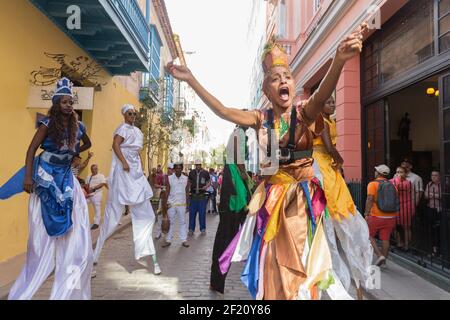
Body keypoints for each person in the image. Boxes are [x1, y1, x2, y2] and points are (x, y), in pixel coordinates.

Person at [167, 23, 367, 300]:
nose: (283, 80)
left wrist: (338, 60)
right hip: (272, 201)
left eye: (287, 76)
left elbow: (321, 96)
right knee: (273, 263)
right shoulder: (260, 118)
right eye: (275, 78)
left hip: (302, 201)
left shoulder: (304, 112)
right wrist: (190, 79)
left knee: (303, 262)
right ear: (267, 90)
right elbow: (223, 110)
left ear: (293, 85)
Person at [0, 77, 93, 299]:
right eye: (64, 102)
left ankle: (68, 290)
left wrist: (75, 154)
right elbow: (31, 150)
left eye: (71, 102)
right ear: (56, 104)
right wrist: (28, 178)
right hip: (46, 178)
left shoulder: (79, 126)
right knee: (40, 243)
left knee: (78, 233)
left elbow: (86, 143)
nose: (69, 105)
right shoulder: (47, 125)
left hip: (67, 180)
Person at [311, 95, 372, 299]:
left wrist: (337, 162)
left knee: (343, 217)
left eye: (334, 103)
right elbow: (328, 147)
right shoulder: (320, 120)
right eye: (329, 102)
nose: (332, 105)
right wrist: (340, 160)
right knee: (329, 218)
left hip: (329, 167)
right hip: (322, 165)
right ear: (321, 105)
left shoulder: (330, 120)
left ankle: (355, 284)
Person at [93, 104, 161, 275]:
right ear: (124, 115)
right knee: (111, 220)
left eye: (134, 114)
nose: (133, 116)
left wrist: (140, 167)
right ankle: (94, 256)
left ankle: (146, 251)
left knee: (148, 216)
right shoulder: (122, 128)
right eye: (130, 114)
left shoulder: (137, 131)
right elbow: (115, 145)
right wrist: (124, 162)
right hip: (124, 173)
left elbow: (137, 153)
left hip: (135, 174)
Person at [210, 125, 254, 294]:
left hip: (234, 187)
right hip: (234, 188)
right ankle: (217, 280)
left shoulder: (238, 133)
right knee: (227, 237)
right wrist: (244, 175)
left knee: (225, 236)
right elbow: (239, 159)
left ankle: (216, 281)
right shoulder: (239, 133)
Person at [365, 165, 399, 269]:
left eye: (375, 171)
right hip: (391, 216)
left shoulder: (372, 184)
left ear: (378, 173)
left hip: (376, 215)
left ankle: (379, 256)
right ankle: (384, 261)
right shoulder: (393, 186)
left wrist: (366, 213)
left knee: (369, 235)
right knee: (386, 238)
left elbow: (370, 199)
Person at [163, 163, 190, 248]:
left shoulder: (185, 178)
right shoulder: (170, 178)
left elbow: (187, 192)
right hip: (171, 203)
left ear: (182, 169)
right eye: (176, 168)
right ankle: (168, 240)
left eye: (180, 168)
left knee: (182, 222)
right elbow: (167, 191)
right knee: (170, 222)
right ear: (174, 169)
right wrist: (165, 203)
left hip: (182, 203)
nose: (178, 170)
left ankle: (184, 240)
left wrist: (188, 204)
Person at [391, 166, 414, 251]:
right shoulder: (392, 181)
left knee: (406, 227)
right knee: (392, 226)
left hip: (406, 206)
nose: (399, 174)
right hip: (395, 206)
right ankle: (399, 242)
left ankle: (407, 245)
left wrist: (395, 180)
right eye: (397, 172)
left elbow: (398, 189)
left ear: (405, 173)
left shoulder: (408, 182)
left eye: (401, 172)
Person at [187, 160, 211, 236]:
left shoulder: (205, 173)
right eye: (196, 165)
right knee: (192, 214)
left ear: (201, 165)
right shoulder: (191, 173)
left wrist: (206, 187)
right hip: (193, 197)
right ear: (195, 165)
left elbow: (209, 181)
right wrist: (189, 188)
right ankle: (191, 229)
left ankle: (203, 229)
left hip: (202, 197)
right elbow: (189, 182)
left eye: (199, 165)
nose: (197, 166)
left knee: (202, 214)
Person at [425, 171, 442, 256]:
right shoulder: (429, 184)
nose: (433, 177)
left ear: (439, 176)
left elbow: (442, 196)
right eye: (432, 175)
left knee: (439, 229)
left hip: (439, 209)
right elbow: (426, 195)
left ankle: (440, 250)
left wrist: (432, 194)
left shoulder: (441, 185)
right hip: (430, 208)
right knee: (431, 229)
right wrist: (436, 195)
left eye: (435, 175)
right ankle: (433, 249)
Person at [86, 164, 108, 230]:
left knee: (97, 207)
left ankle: (96, 223)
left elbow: (102, 183)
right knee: (83, 204)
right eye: (93, 169)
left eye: (95, 169)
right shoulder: (88, 176)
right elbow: (87, 184)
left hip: (97, 193)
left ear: (97, 169)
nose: (94, 170)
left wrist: (93, 188)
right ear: (91, 169)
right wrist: (88, 190)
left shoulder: (101, 176)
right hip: (89, 194)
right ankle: (85, 221)